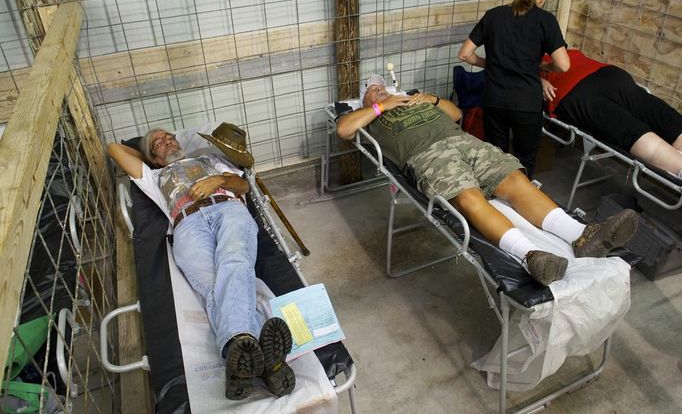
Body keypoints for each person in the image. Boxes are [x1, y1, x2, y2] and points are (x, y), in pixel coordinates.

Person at [337, 74, 638, 286]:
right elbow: (344, 130)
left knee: (515, 180)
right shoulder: (370, 117)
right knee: (469, 199)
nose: (379, 91)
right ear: (364, 101)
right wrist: (380, 107)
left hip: (466, 142)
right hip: (427, 157)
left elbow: (455, 114)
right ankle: (531, 256)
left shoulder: (414, 100)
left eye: (381, 88)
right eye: (372, 90)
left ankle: (583, 235)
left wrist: (431, 99)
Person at [107, 125, 295, 400]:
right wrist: (145, 152)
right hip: (187, 224)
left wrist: (218, 180)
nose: (169, 141)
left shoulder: (208, 159)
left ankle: (237, 350)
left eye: (170, 137)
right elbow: (113, 148)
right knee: (214, 287)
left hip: (228, 208)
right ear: (151, 157)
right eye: (159, 143)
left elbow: (243, 185)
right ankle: (267, 363)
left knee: (234, 262)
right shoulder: (153, 176)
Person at [458, 0, 570, 178]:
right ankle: (521, 202)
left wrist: (489, 64)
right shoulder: (546, 21)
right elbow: (563, 65)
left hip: (494, 100)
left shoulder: (494, 15)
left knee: (495, 157)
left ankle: (493, 201)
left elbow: (464, 54)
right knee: (525, 161)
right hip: (526, 103)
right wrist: (545, 67)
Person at [541, 49, 682, 179]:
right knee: (651, 109)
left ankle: (678, 166)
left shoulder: (525, 56)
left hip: (571, 89)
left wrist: (538, 80)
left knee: (627, 128)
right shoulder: (547, 38)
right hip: (603, 73)